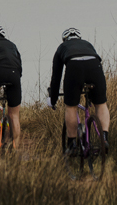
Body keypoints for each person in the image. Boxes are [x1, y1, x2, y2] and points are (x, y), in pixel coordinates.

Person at [47, 27, 111, 155]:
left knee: (71, 107)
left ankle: (72, 145)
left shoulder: (62, 47)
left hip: (74, 67)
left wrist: (53, 99)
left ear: (65, 39)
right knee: (101, 104)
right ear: (79, 38)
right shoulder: (88, 44)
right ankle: (104, 138)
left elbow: (56, 77)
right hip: (95, 67)